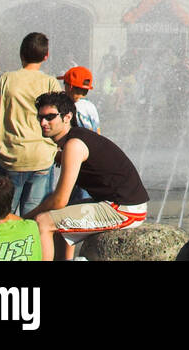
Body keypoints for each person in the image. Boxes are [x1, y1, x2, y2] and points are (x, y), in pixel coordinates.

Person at [27, 92, 149, 260]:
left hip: (125, 210)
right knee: (58, 219)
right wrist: (60, 156)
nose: (43, 122)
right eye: (40, 117)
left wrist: (26, 217)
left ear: (67, 117)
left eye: (50, 117)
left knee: (43, 221)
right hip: (120, 204)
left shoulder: (74, 145)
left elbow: (59, 201)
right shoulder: (76, 138)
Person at [0, 33, 60, 216]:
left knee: (2, 217)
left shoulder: (5, 80)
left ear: (21, 54)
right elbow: (61, 123)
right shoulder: (50, 83)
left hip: (11, 158)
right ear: (46, 56)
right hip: (42, 158)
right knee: (35, 218)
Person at [59, 66, 99, 133]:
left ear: (70, 87)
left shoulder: (74, 108)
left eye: (65, 83)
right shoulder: (91, 106)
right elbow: (97, 131)